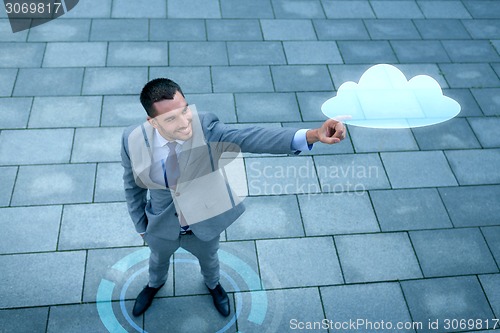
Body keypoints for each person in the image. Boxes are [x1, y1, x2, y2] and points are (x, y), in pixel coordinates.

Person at [121, 78, 346, 318]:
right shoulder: (131, 139)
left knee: (210, 261)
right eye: (170, 118)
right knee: (157, 261)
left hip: (203, 222)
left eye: (185, 110)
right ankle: (154, 285)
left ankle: (213, 285)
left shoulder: (205, 127)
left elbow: (251, 137)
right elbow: (131, 185)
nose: (185, 122)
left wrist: (312, 135)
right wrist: (140, 226)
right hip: (160, 225)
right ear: (152, 122)